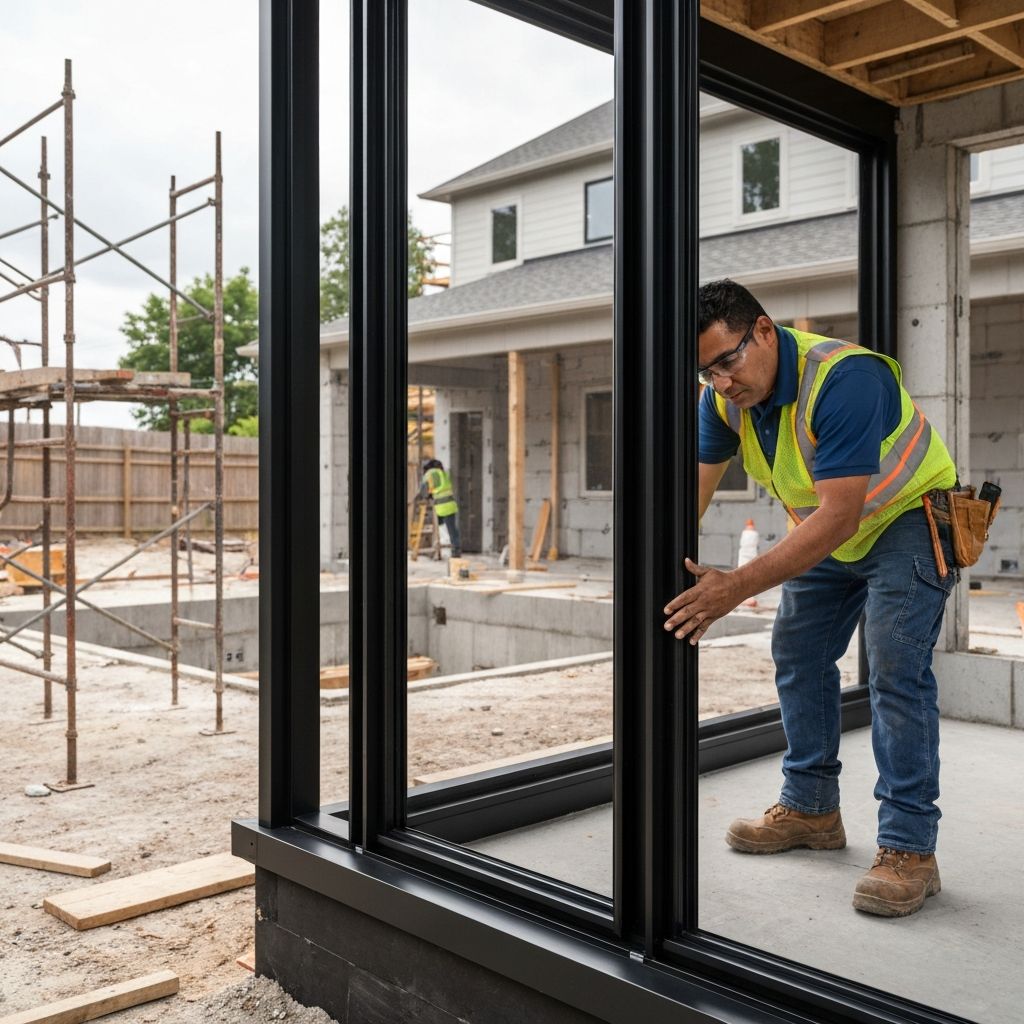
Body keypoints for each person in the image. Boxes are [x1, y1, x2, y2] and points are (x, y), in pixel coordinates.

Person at [664, 279, 959, 918]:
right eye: (704, 370)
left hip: (907, 520)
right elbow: (690, 493)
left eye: (728, 361)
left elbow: (840, 516)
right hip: (834, 533)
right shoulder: (724, 402)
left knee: (894, 670)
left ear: (764, 331)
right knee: (797, 650)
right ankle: (812, 809)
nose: (719, 382)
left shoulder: (845, 380)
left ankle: (911, 848)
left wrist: (734, 587)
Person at [419, 458, 462, 558]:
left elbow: (424, 490)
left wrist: (426, 496)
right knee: (452, 530)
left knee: (434, 527)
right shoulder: (443, 472)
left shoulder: (430, 473)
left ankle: (432, 549)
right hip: (450, 504)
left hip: (440, 505)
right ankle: (456, 552)